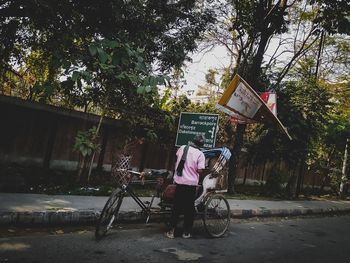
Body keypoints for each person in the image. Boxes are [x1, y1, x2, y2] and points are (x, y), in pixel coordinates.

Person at [165, 134, 207, 239]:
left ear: (193, 140)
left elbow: (177, 157)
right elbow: (200, 170)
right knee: (189, 209)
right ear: (202, 144)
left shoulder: (183, 148)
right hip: (191, 185)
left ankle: (171, 231)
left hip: (179, 182)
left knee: (176, 207)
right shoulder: (200, 154)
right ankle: (186, 232)